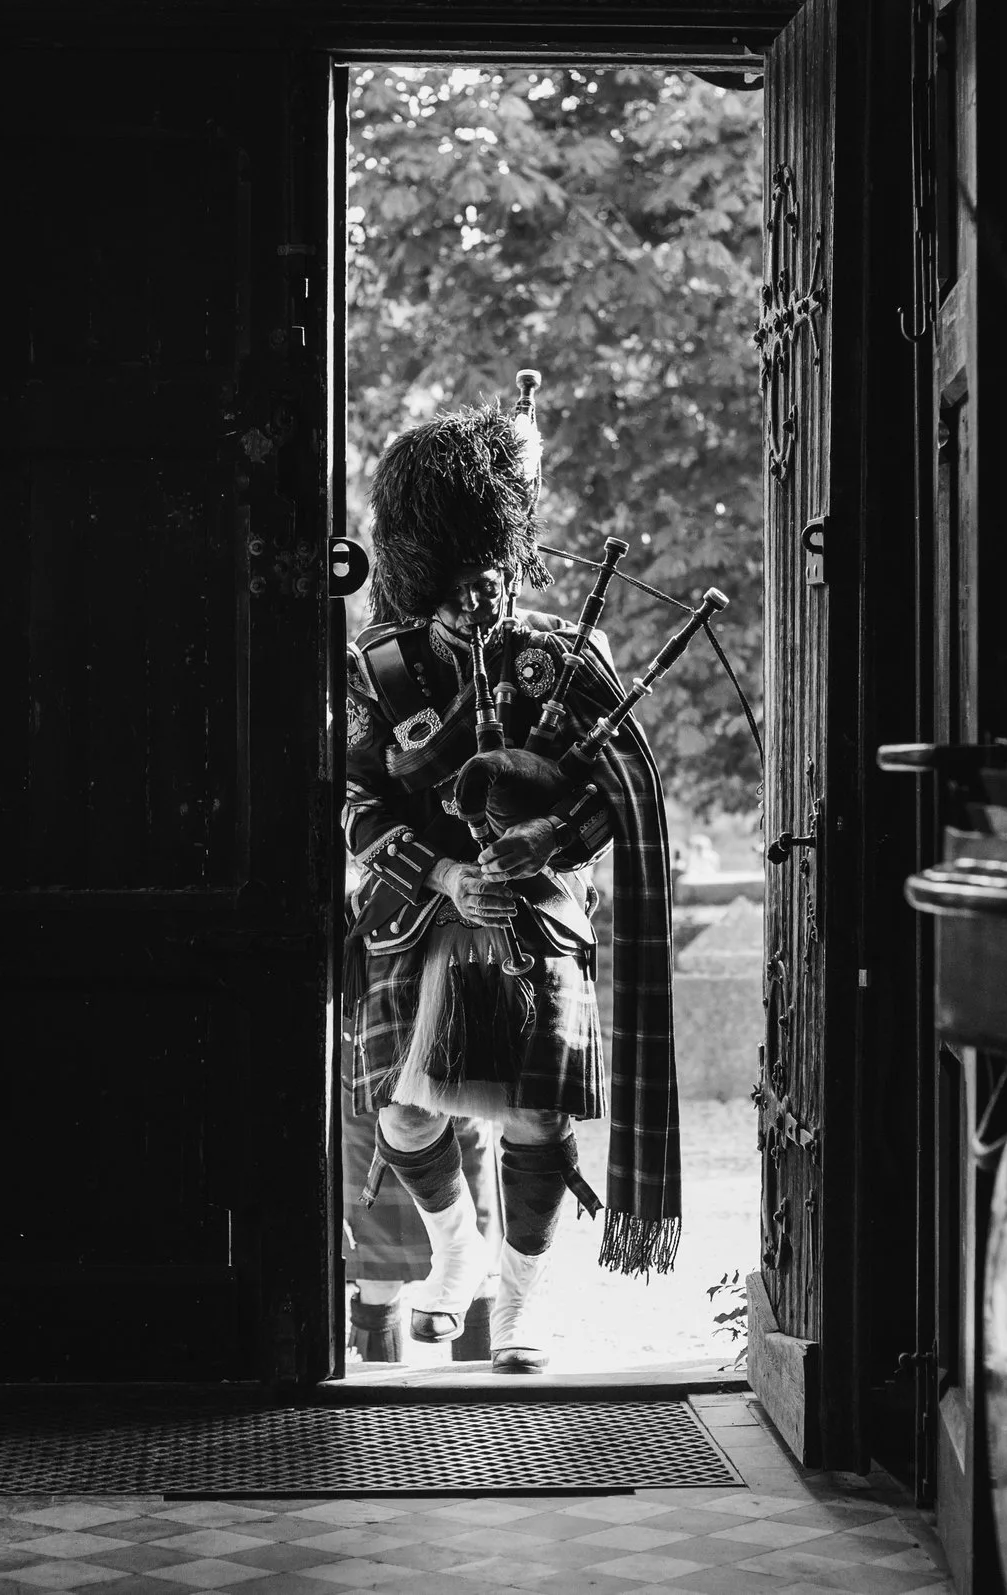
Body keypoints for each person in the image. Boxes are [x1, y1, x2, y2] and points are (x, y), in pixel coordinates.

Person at [343, 401, 684, 1374]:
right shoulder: (383, 669)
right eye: (450, 579)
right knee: (408, 1113)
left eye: (481, 572)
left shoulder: (565, 659)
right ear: (422, 571)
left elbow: (615, 793)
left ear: (507, 557)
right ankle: (454, 1248)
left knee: (535, 1116)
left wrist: (547, 837)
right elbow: (354, 806)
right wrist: (445, 868)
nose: (470, 596)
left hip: (536, 917)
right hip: (421, 919)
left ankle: (521, 1300)